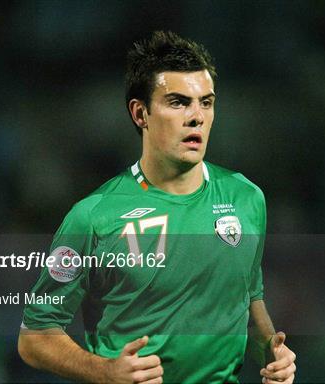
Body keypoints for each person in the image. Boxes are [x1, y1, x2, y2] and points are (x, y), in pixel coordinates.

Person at [18, 30, 296, 383]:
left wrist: (272, 349)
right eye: (178, 102)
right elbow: (35, 336)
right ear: (140, 113)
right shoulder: (94, 216)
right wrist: (105, 371)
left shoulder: (246, 198)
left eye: (206, 103)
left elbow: (249, 294)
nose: (196, 116)